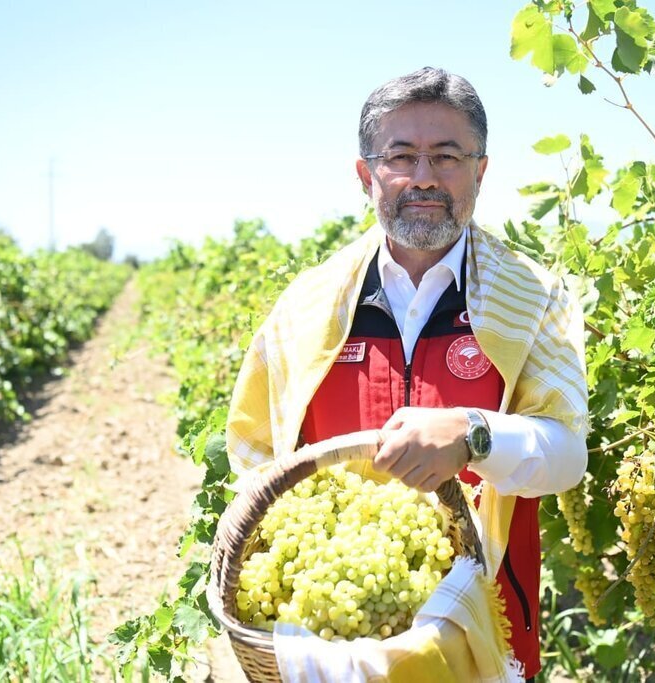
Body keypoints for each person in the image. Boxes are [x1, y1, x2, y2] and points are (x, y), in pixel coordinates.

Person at [227, 67, 589, 681]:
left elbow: (565, 455)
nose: (424, 177)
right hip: (331, 648)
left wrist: (475, 433)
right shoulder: (306, 307)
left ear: (480, 170)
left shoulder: (534, 300)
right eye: (402, 156)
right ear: (366, 174)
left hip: (480, 637)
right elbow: (255, 459)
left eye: (447, 156)